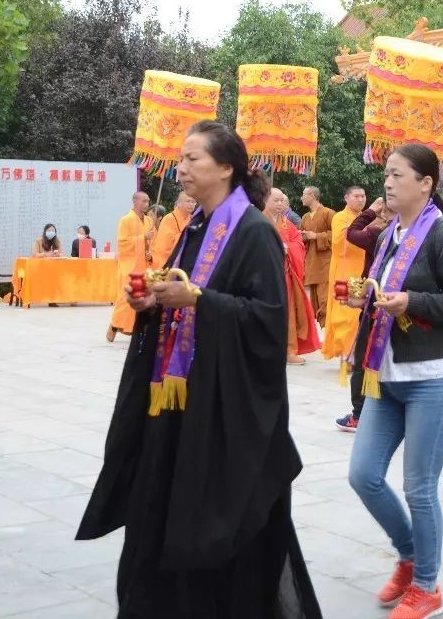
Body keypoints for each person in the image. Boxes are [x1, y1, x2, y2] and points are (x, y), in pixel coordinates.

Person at [77, 121, 322, 619]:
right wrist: (149, 301)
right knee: (159, 516)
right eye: (181, 160)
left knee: (220, 533)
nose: (182, 168)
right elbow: (178, 291)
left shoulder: (253, 231)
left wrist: (199, 300)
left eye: (193, 159)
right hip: (175, 405)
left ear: (227, 167)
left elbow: (268, 322)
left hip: (222, 414)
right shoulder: (194, 226)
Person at [347, 144, 443, 619]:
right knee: (362, 475)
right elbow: (385, 292)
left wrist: (412, 302)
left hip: (433, 379)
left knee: (419, 488)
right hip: (386, 376)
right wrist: (366, 300)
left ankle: (427, 585)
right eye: (386, 174)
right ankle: (408, 555)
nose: (388, 183)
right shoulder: (388, 236)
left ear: (425, 184)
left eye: (398, 175)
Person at [335, 195, 392, 432]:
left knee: (365, 359)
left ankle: (360, 413)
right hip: (385, 305)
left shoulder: (379, 234)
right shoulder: (394, 234)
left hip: (378, 308)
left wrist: (369, 211)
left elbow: (352, 232)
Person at [265, 188, 321, 366]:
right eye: (276, 200)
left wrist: (288, 248)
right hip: (263, 277)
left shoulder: (286, 223)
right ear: (265, 200)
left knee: (288, 313)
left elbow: (298, 243)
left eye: (282, 200)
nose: (280, 204)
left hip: (285, 275)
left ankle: (289, 350)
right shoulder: (257, 221)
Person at [323, 186, 369, 374]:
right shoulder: (340, 217)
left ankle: (357, 355)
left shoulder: (368, 216)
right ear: (346, 198)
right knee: (344, 316)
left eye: (363, 196)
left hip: (362, 273)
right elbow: (341, 242)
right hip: (344, 273)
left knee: (359, 316)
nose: (360, 199)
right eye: (356, 196)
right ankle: (346, 356)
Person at [107, 191, 155, 343]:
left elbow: (153, 243)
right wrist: (142, 238)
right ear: (135, 202)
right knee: (125, 297)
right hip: (129, 265)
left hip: (143, 265)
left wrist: (149, 253)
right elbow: (123, 242)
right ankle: (114, 325)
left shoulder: (149, 221)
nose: (147, 204)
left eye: (148, 201)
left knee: (142, 297)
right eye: (144, 201)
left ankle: (137, 328)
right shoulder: (125, 220)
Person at [300, 187, 335, 328]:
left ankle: (329, 329)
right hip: (312, 262)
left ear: (312, 196)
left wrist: (316, 236)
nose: (301, 198)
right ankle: (324, 328)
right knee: (316, 299)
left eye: (303, 195)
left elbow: (338, 235)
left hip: (325, 262)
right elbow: (301, 238)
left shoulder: (329, 213)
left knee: (325, 297)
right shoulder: (305, 217)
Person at [152, 192, 196, 268]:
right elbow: (164, 245)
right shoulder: (169, 219)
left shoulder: (194, 219)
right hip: (167, 262)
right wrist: (186, 237)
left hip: (186, 262)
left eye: (193, 202)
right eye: (188, 201)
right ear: (179, 203)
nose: (191, 204)